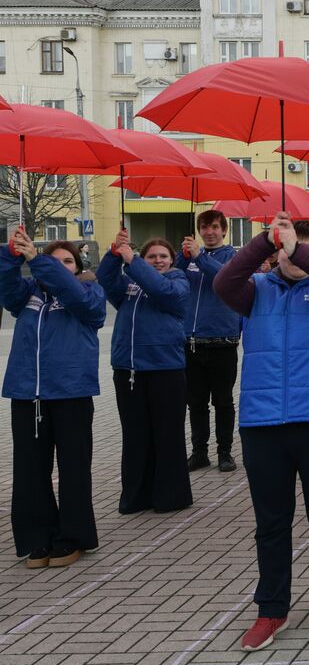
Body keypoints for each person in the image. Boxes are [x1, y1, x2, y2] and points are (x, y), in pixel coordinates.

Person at [214, 214, 309, 651]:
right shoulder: (256, 290)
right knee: (271, 524)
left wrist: (302, 251)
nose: (294, 256)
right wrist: (266, 240)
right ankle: (271, 609)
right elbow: (224, 283)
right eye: (287, 249)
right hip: (264, 422)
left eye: (305, 250)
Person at [3, 231, 105, 569]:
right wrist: (12, 253)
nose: (61, 266)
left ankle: (73, 537)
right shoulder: (28, 293)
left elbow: (80, 300)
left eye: (67, 262)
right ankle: (38, 537)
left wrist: (41, 262)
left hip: (71, 393)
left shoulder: (89, 291)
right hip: (27, 393)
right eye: (54, 260)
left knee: (73, 469)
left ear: (78, 267)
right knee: (30, 470)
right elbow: (6, 284)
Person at [97, 231, 192, 515]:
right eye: (151, 256)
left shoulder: (178, 282)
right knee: (135, 436)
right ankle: (137, 496)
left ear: (172, 260)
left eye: (163, 256)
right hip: (128, 370)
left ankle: (170, 496)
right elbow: (105, 279)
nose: (157, 260)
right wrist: (115, 252)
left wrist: (134, 261)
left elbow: (162, 291)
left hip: (166, 369)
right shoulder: (129, 285)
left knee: (167, 435)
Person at [178, 209, 240, 473]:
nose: (209, 232)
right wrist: (184, 257)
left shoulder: (233, 257)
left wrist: (199, 257)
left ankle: (225, 452)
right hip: (191, 342)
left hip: (222, 341)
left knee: (223, 402)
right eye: (204, 227)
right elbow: (172, 277)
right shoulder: (191, 256)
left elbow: (224, 278)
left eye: (215, 227)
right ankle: (199, 452)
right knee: (196, 403)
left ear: (224, 230)